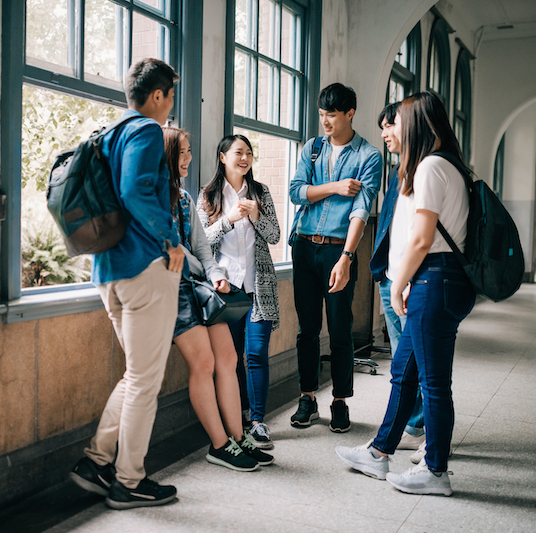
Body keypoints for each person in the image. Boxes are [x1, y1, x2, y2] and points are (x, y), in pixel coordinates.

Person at [335, 91, 476, 496]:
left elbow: (422, 238)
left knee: (432, 383)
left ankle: (436, 472)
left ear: (416, 125)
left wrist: (399, 283)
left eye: (398, 121)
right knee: (405, 374)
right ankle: (379, 453)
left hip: (434, 279)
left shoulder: (431, 166)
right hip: (439, 280)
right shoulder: (448, 164)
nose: (390, 129)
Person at [69, 58, 185, 510]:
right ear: (157, 95)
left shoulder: (109, 133)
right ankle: (129, 481)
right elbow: (136, 191)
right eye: (170, 96)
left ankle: (96, 462)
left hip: (110, 272)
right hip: (144, 268)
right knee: (144, 383)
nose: (170, 105)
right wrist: (172, 240)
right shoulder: (145, 131)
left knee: (135, 375)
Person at [162, 126, 274, 471]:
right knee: (207, 364)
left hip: (205, 288)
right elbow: (185, 248)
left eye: (189, 151)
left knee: (228, 358)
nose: (188, 158)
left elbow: (198, 251)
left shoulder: (182, 197)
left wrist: (216, 276)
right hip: (175, 291)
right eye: (182, 152)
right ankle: (220, 444)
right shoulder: (159, 198)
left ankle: (239, 438)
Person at [288, 83, 382, 433]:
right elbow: (297, 192)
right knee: (307, 329)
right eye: (321, 114)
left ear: (350, 113)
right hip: (304, 245)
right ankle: (307, 397)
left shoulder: (368, 156)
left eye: (332, 114)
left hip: (337, 249)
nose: (325, 121)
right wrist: (335, 186)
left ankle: (340, 401)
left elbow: (361, 208)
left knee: (340, 328)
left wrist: (346, 257)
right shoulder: (311, 149)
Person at [196, 134, 281, 450]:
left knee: (256, 353)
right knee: (229, 359)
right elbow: (200, 242)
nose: (244, 158)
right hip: (224, 292)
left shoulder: (261, 192)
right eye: (238, 153)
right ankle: (236, 418)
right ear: (222, 157)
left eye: (249, 153)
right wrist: (229, 220)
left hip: (258, 288)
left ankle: (258, 422)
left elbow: (275, 236)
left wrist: (257, 216)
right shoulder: (208, 195)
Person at [370, 103, 426, 456]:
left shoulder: (425, 170)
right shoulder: (399, 171)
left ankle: (419, 425)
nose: (384, 134)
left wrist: (405, 279)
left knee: (416, 360)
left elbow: (418, 236)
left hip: (408, 280)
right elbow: (392, 225)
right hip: (391, 277)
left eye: (389, 126)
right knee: (402, 358)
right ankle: (414, 423)